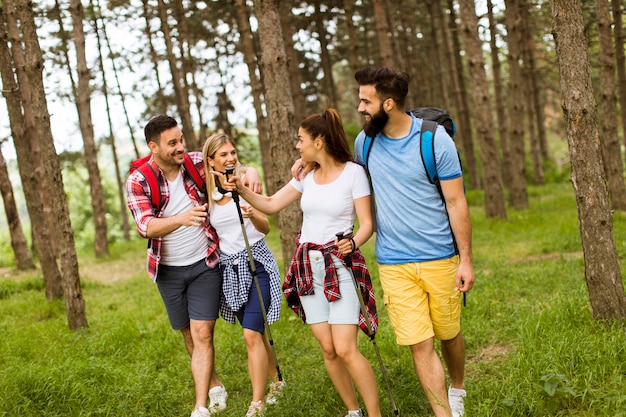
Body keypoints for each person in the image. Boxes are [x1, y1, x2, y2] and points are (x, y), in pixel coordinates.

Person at [295, 67, 475, 417]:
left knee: (448, 333)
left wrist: (465, 259)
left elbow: (456, 202)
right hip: (393, 261)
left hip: (440, 256)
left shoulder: (435, 140)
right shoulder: (366, 143)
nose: (360, 107)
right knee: (420, 344)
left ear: (388, 104)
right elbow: (342, 172)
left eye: (366, 100)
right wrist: (306, 162)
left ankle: (457, 386)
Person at [218, 109, 382, 417]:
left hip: (339, 265)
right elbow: (270, 204)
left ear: (319, 142)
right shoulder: (306, 176)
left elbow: (367, 223)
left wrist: (354, 242)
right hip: (308, 267)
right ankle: (353, 411)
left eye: (301, 140)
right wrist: (238, 188)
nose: (297, 145)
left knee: (346, 347)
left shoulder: (353, 173)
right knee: (329, 349)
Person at [126, 115, 262, 417]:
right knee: (188, 334)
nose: (180, 147)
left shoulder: (195, 162)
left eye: (181, 139)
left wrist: (249, 170)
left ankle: (199, 407)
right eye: (172, 143)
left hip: (204, 261)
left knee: (202, 333)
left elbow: (227, 162)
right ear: (153, 146)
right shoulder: (139, 180)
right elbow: (145, 226)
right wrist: (180, 219)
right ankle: (214, 385)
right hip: (168, 270)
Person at [201, 132, 284, 417]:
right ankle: (277, 382)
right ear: (210, 160)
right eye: (223, 154)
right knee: (256, 335)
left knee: (251, 334)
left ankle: (257, 402)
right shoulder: (207, 192)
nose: (230, 158)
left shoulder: (247, 181)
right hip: (230, 271)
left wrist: (253, 214)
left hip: (256, 262)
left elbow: (266, 227)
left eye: (232, 153)